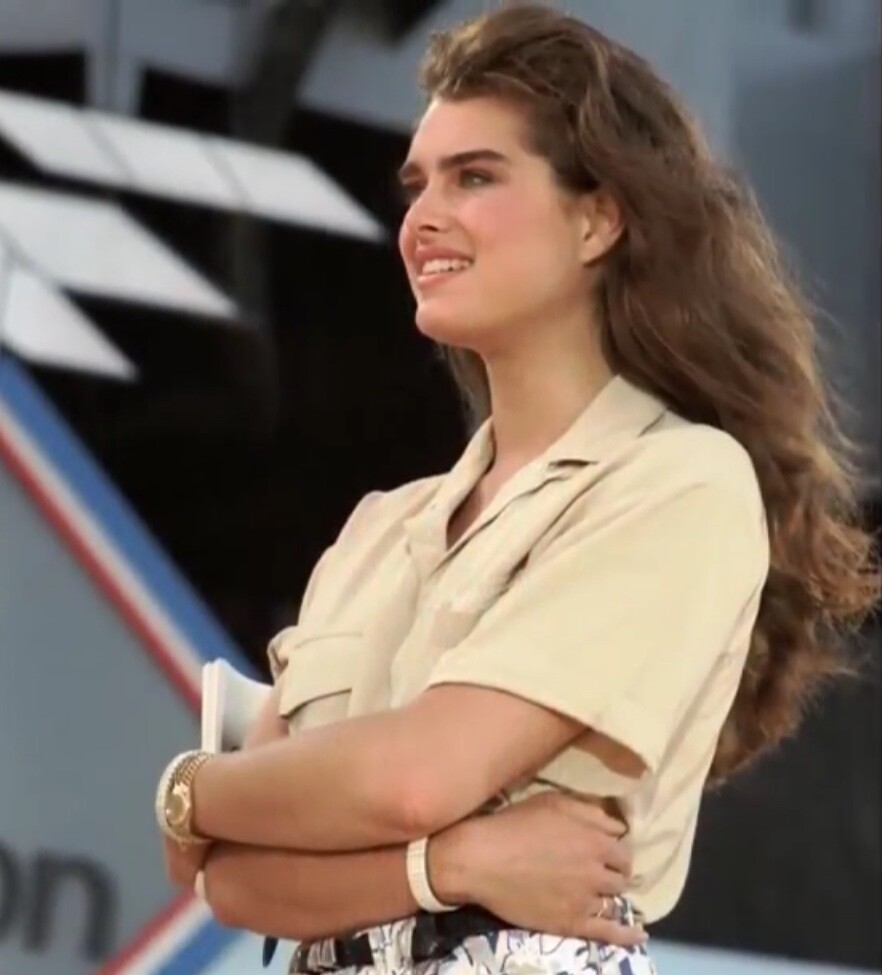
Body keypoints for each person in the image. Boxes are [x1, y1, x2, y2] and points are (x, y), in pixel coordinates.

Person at [155, 5, 881, 974]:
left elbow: (417, 777)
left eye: (475, 176)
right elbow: (233, 881)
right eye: (417, 184)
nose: (423, 217)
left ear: (598, 218)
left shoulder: (679, 481)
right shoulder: (379, 529)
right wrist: (450, 863)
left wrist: (190, 789)